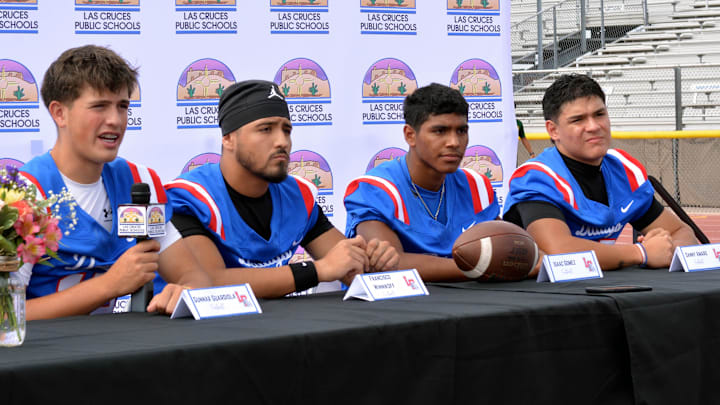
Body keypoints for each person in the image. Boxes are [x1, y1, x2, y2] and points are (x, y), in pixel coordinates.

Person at [17, 45, 212, 320]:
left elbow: (195, 277)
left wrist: (185, 291)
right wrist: (109, 285)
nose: (116, 120)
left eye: (123, 106)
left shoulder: (139, 180)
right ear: (59, 113)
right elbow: (6, 316)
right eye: (99, 106)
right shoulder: (23, 195)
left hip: (118, 353)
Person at [165, 80, 399, 298]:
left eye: (286, 130)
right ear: (228, 139)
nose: (282, 141)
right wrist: (317, 271)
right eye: (265, 129)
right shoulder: (188, 197)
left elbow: (344, 262)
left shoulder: (296, 194)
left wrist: (371, 260)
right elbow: (209, 283)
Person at [503, 74, 698, 270]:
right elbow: (559, 252)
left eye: (599, 114)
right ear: (553, 130)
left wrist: (666, 248)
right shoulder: (537, 177)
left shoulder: (622, 170)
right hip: (541, 295)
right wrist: (642, 252)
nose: (594, 126)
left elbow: (681, 231)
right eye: (578, 120)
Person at [343, 83, 502, 282]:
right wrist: (482, 268)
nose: (453, 142)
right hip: (397, 308)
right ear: (410, 135)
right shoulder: (375, 189)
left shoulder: (476, 186)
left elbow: (503, 247)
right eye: (440, 131)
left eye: (461, 131)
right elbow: (389, 264)